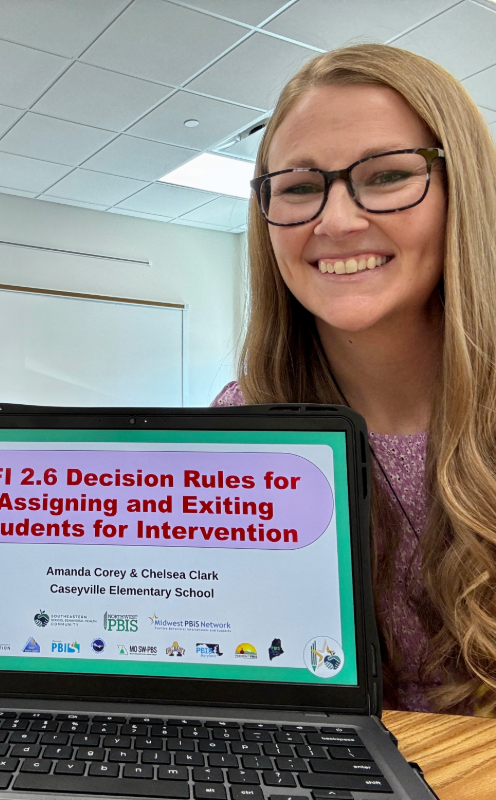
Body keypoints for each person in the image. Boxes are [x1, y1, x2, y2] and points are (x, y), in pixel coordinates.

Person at [213, 43, 496, 716]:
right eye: (299, 187)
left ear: (464, 191)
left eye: (389, 175)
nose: (336, 221)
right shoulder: (242, 420)